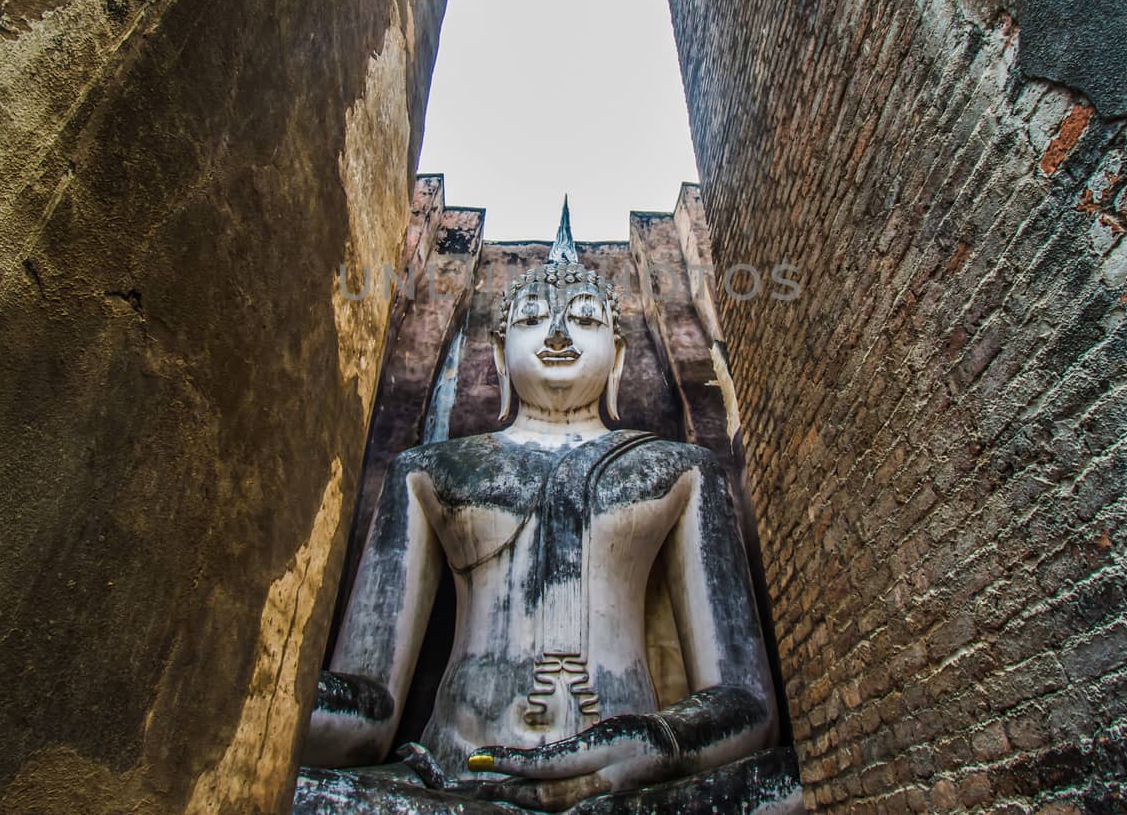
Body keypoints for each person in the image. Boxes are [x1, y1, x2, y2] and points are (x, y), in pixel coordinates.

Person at [295, 205, 802, 813]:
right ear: (500, 349)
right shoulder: (429, 471)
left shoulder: (682, 470)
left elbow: (747, 704)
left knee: (789, 788)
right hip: (458, 781)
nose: (558, 336)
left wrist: (662, 738)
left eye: (585, 321)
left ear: (616, 358)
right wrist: (272, 696)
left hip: (635, 790)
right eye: (534, 319)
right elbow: (370, 708)